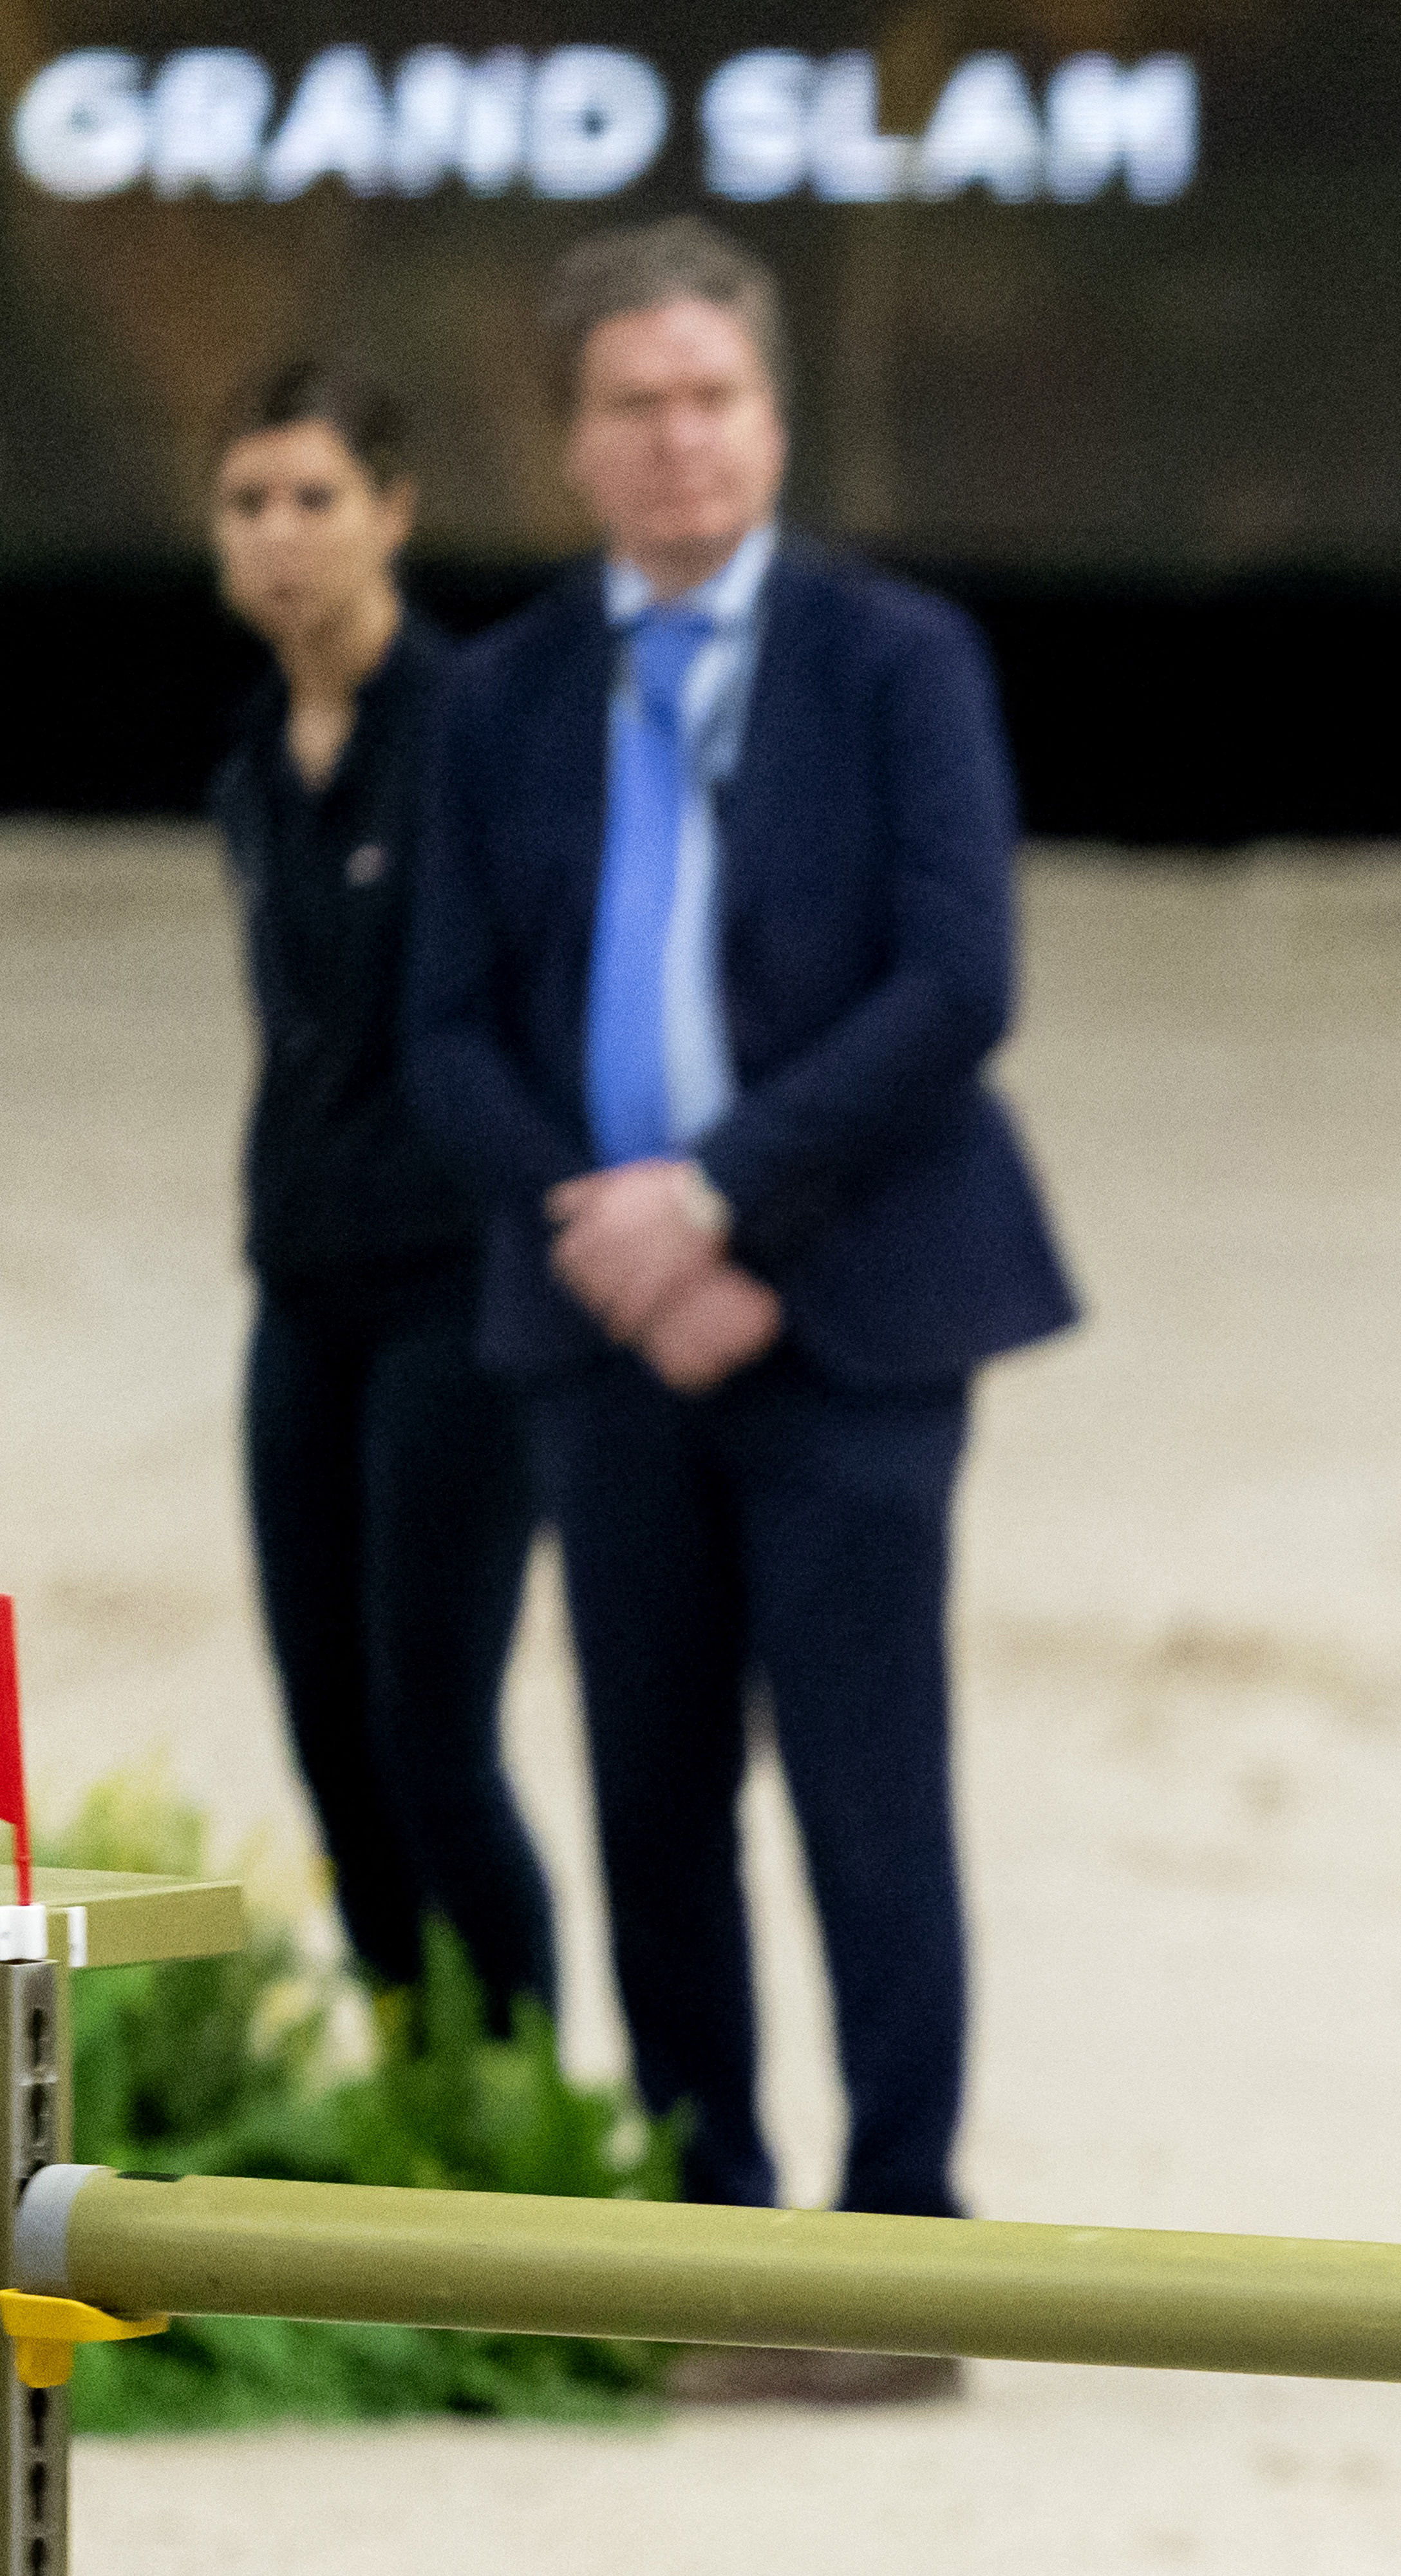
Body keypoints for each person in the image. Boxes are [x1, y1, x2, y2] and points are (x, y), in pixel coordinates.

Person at [406, 216, 1077, 2399]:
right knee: (648, 1788)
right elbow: (449, 1030)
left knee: (871, 1791)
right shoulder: (492, 696)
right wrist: (613, 1237)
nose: (679, 438)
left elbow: (955, 984)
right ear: (574, 438)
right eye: (635, 403)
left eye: (714, 396)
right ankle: (704, 2245)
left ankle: (901, 2274)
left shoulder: (900, 662)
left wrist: (718, 1208)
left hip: (854, 1318)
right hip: (604, 1338)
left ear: (774, 420)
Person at [209, 361, 557, 2029]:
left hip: (456, 1296)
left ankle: (525, 2113)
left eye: (316, 499)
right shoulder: (254, 768)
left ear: (396, 515)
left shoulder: (482, 736)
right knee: (331, 1737)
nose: (282, 537)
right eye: (250, 503)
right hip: (303, 1293)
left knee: (436, 1735)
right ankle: (422, 2087)